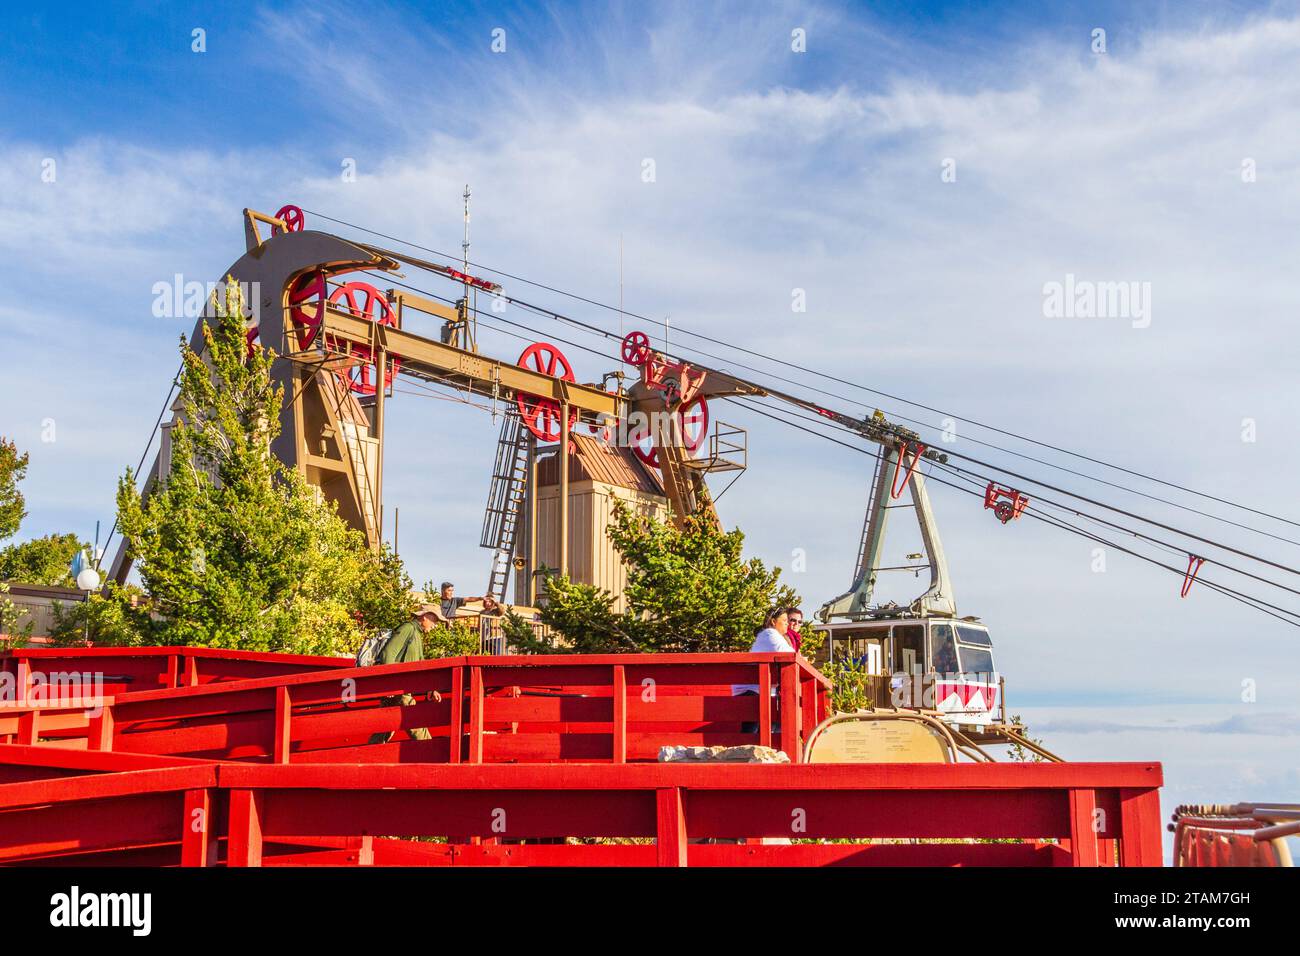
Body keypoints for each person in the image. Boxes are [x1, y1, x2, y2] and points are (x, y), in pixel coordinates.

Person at [367, 603, 443, 744]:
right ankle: (432, 755)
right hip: (399, 689)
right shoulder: (408, 628)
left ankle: (365, 759)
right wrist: (388, 684)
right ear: (425, 617)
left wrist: (430, 688)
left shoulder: (416, 634)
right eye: (435, 620)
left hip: (399, 689)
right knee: (414, 722)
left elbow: (420, 665)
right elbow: (388, 654)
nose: (435, 625)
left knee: (385, 727)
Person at [733, 607, 795, 735]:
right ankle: (748, 749)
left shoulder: (772, 636)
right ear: (773, 622)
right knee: (753, 729)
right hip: (752, 690)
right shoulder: (769, 634)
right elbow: (788, 654)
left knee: (763, 727)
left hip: (759, 689)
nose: (787, 624)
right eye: (784, 620)